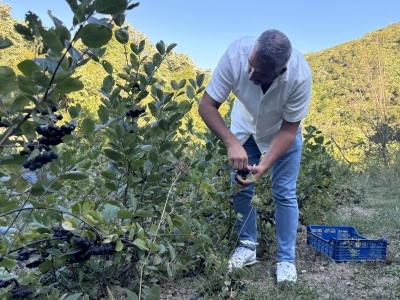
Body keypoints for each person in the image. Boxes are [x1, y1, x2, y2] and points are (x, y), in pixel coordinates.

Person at [198, 29, 312, 283]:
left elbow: (289, 128)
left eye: (260, 74)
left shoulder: (299, 77)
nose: (251, 75)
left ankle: (286, 260)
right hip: (244, 127)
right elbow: (206, 106)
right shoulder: (235, 54)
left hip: (282, 131)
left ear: (280, 72)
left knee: (284, 191)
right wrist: (231, 142)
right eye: (250, 66)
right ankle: (247, 247)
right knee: (240, 187)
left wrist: (266, 164)